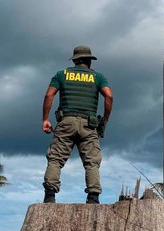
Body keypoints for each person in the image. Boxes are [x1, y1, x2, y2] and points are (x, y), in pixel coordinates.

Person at [41, 45, 113, 204]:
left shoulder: (62, 74)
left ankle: (50, 195)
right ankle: (93, 197)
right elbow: (109, 96)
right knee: (92, 162)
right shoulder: (98, 77)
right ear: (89, 61)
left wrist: (45, 119)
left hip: (66, 123)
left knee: (55, 159)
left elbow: (49, 95)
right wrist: (105, 120)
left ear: (75, 60)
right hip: (89, 125)